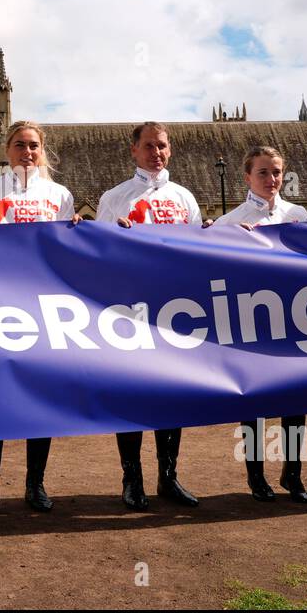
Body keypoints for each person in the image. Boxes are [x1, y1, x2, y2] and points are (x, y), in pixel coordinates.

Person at [0, 120, 81, 519]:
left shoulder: (59, 195)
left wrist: (76, 232)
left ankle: (35, 484)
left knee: (39, 398)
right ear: (6, 150)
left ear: (42, 151)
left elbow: (66, 254)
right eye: (20, 145)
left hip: (43, 307)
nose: (27, 152)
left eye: (33, 146)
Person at [94, 121, 202, 510]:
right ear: (134, 151)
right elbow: (97, 254)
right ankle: (132, 478)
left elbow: (197, 254)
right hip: (130, 309)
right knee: (134, 394)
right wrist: (116, 236)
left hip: (175, 309)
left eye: (162, 146)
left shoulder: (185, 198)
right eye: (149, 146)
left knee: (171, 394)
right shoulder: (115, 197)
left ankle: (168, 478)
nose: (156, 153)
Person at [212, 145, 307, 503]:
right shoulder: (229, 222)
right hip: (251, 322)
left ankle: (293, 473)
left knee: (296, 400)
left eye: (276, 173)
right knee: (253, 403)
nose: (272, 180)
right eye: (263, 173)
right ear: (247, 177)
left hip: (294, 319)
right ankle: (256, 476)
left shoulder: (299, 214)